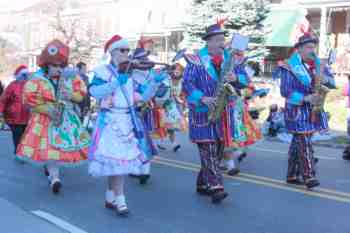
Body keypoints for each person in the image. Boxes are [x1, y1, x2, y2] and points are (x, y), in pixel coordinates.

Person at [88, 35, 165, 215]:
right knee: (117, 163)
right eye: (122, 50)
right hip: (110, 122)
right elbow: (94, 91)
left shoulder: (131, 74)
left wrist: (155, 82)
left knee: (116, 163)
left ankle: (109, 196)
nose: (126, 54)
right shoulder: (102, 72)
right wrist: (116, 82)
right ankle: (120, 200)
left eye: (127, 50)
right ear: (112, 52)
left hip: (127, 121)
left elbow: (142, 97)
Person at [16, 39, 90, 194]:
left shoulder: (70, 78)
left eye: (60, 66)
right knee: (49, 150)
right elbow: (29, 101)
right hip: (44, 120)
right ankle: (55, 178)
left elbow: (81, 95)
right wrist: (47, 109)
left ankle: (53, 176)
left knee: (60, 149)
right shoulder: (36, 80)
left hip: (66, 118)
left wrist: (70, 94)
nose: (58, 69)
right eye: (54, 65)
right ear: (46, 65)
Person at [182, 21, 233, 204]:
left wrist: (236, 78)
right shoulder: (196, 61)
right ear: (208, 42)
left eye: (223, 39)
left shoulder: (230, 59)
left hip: (223, 114)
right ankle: (216, 187)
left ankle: (203, 184)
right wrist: (203, 98)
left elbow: (245, 79)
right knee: (209, 150)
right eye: (218, 39)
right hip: (202, 113)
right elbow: (187, 84)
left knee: (217, 150)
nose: (222, 43)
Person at [274, 33, 328, 188]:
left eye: (314, 47)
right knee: (304, 142)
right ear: (299, 49)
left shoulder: (317, 65)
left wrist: (325, 80)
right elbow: (285, 90)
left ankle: (292, 174)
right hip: (297, 111)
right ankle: (309, 176)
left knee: (298, 143)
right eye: (309, 47)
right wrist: (305, 98)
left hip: (313, 111)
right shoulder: (288, 66)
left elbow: (329, 82)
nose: (313, 50)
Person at [0, 65, 30, 154]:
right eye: (23, 75)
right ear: (18, 75)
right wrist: (1, 111)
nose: (25, 77)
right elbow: (3, 99)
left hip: (27, 116)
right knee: (17, 135)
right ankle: (18, 153)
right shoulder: (12, 85)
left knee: (25, 136)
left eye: (26, 75)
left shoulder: (30, 85)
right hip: (14, 117)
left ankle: (22, 151)